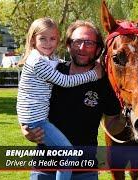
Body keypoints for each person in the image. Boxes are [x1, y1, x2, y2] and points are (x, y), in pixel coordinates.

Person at [20, 20, 122, 180]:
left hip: (85, 172)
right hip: (44, 170)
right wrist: (25, 130)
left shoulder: (104, 82)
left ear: (98, 48)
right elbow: (27, 98)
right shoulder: (53, 72)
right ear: (68, 45)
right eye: (77, 42)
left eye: (88, 43)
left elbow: (114, 124)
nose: (82, 47)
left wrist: (130, 117)